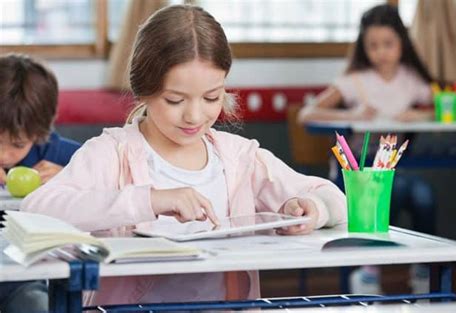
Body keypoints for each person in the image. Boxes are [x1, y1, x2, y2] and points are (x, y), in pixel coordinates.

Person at [22, 4, 347, 307]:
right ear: (144, 89)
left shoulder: (239, 159)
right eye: (175, 100)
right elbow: (36, 210)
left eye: (211, 97)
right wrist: (149, 200)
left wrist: (311, 208)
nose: (194, 115)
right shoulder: (112, 153)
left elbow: (333, 199)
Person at [298, 4, 435, 295]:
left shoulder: (410, 80)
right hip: (357, 172)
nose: (381, 51)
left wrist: (419, 115)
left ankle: (424, 271)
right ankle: (370, 271)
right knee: (394, 191)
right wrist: (352, 116)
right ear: (363, 47)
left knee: (424, 197)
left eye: (388, 44)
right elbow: (307, 114)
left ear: (402, 43)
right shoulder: (354, 82)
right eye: (373, 45)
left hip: (393, 167)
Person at [0, 54, 81, 313]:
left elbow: (112, 187)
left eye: (17, 144)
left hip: (27, 281)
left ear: (38, 134)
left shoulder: (65, 157)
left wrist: (70, 179)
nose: (3, 155)